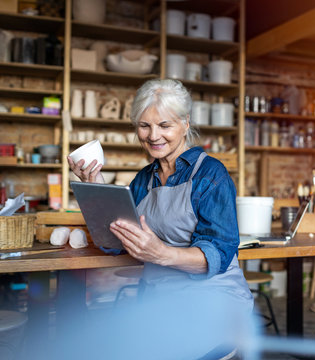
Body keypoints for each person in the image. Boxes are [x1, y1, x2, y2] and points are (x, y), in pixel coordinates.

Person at [68, 79, 254, 359]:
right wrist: (96, 186)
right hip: (159, 300)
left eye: (165, 125)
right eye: (144, 126)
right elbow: (115, 241)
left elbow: (219, 254)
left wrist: (162, 254)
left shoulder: (210, 174)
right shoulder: (145, 178)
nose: (153, 136)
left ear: (185, 124)